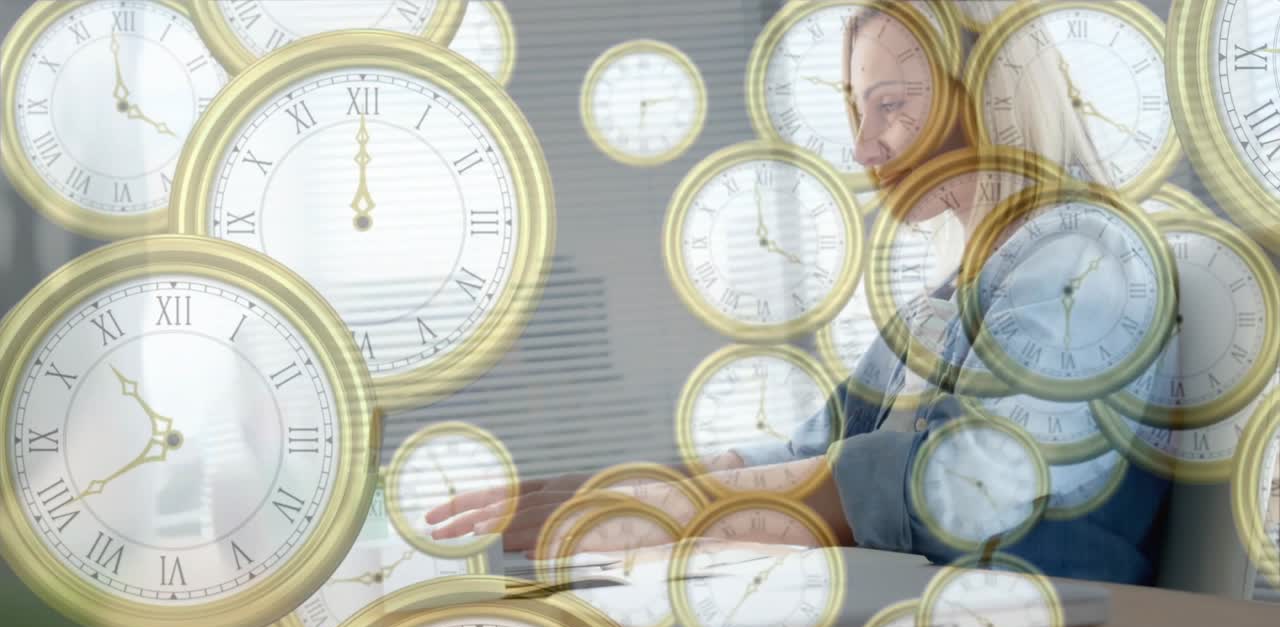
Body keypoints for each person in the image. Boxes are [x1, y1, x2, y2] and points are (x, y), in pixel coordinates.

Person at [428, 1, 1172, 585]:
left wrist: (661, 512)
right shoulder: (958, 294)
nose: (862, 146)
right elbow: (810, 452)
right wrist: (612, 487)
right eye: (858, 109)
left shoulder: (1087, 262)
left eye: (890, 105)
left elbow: (962, 480)